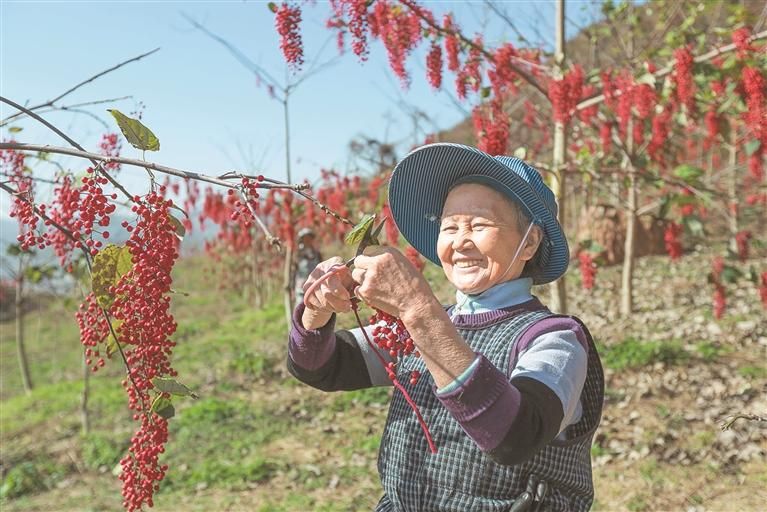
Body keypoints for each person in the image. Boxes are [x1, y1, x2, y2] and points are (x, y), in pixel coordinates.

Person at [287, 143, 604, 511]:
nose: (459, 242)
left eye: (479, 225)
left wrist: (417, 308)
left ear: (530, 241)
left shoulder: (555, 339)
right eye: (450, 226)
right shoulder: (428, 325)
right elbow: (323, 367)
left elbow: (516, 434)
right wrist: (316, 311)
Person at [293, 227, 323, 305]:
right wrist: (292, 288)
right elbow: (294, 272)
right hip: (301, 287)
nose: (307, 240)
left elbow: (322, 269)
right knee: (300, 309)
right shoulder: (298, 254)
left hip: (315, 287)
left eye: (309, 238)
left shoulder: (317, 253)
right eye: (305, 238)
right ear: (302, 240)